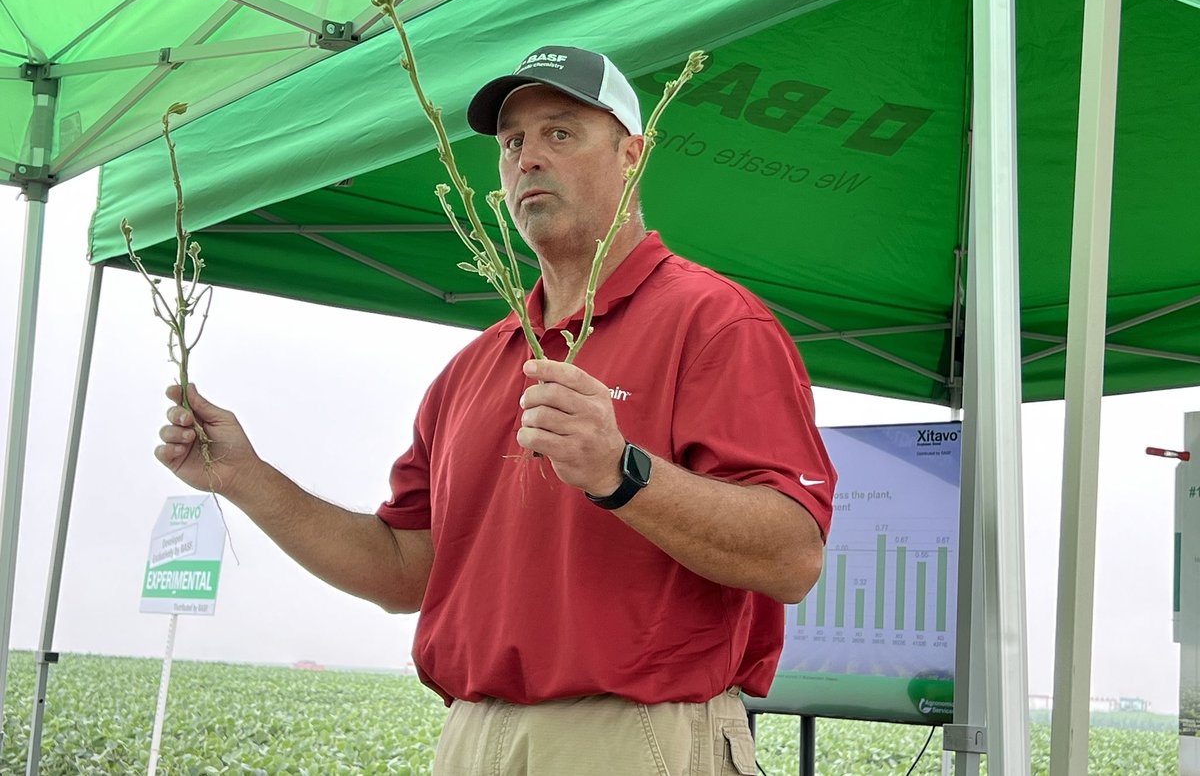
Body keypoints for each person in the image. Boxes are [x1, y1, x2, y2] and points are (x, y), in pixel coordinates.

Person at [156, 45, 837, 775]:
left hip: (635, 738)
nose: (528, 158)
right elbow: (403, 571)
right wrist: (247, 478)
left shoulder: (716, 323)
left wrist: (621, 472)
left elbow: (792, 558)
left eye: (560, 133)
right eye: (512, 143)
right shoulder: (474, 369)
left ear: (633, 155)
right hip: (473, 737)